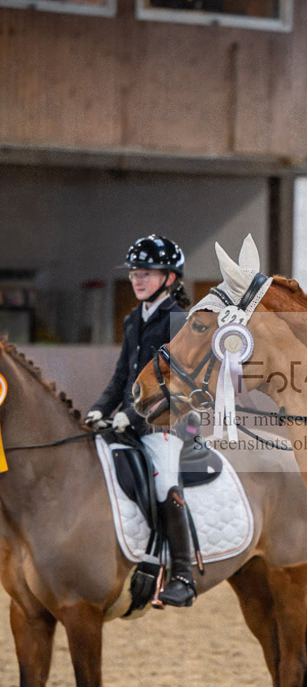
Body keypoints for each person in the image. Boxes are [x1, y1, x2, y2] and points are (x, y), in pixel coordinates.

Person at [84, 235, 196, 607]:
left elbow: (174, 382)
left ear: (169, 278)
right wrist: (100, 409)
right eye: (134, 273)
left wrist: (129, 416)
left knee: (164, 483)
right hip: (130, 421)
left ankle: (182, 574)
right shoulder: (134, 318)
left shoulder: (178, 320)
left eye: (146, 273)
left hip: (166, 424)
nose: (137, 279)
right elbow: (122, 376)